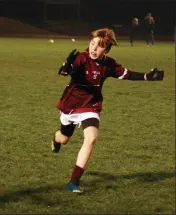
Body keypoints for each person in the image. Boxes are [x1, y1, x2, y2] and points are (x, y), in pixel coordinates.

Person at [52, 28, 164, 193]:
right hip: (70, 105)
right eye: (92, 44)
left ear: (106, 49)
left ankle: (73, 181)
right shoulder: (81, 58)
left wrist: (147, 76)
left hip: (91, 105)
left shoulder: (109, 64)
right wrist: (66, 68)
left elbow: (126, 74)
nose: (94, 49)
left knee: (91, 138)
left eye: (99, 46)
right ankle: (55, 140)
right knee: (63, 138)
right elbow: (70, 69)